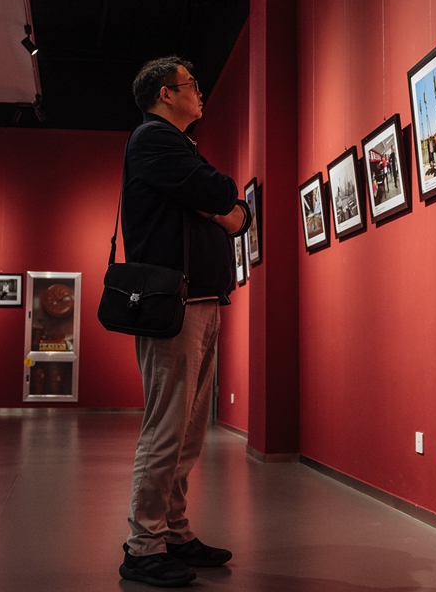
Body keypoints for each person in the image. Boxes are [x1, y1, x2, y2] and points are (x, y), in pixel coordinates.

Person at [119, 55, 250, 587]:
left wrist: (218, 206)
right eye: (190, 84)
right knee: (167, 428)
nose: (200, 92)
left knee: (189, 431)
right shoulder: (153, 139)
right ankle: (143, 545)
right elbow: (222, 194)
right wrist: (219, 205)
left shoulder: (180, 147)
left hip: (200, 299)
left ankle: (173, 530)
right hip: (174, 305)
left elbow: (238, 216)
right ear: (165, 94)